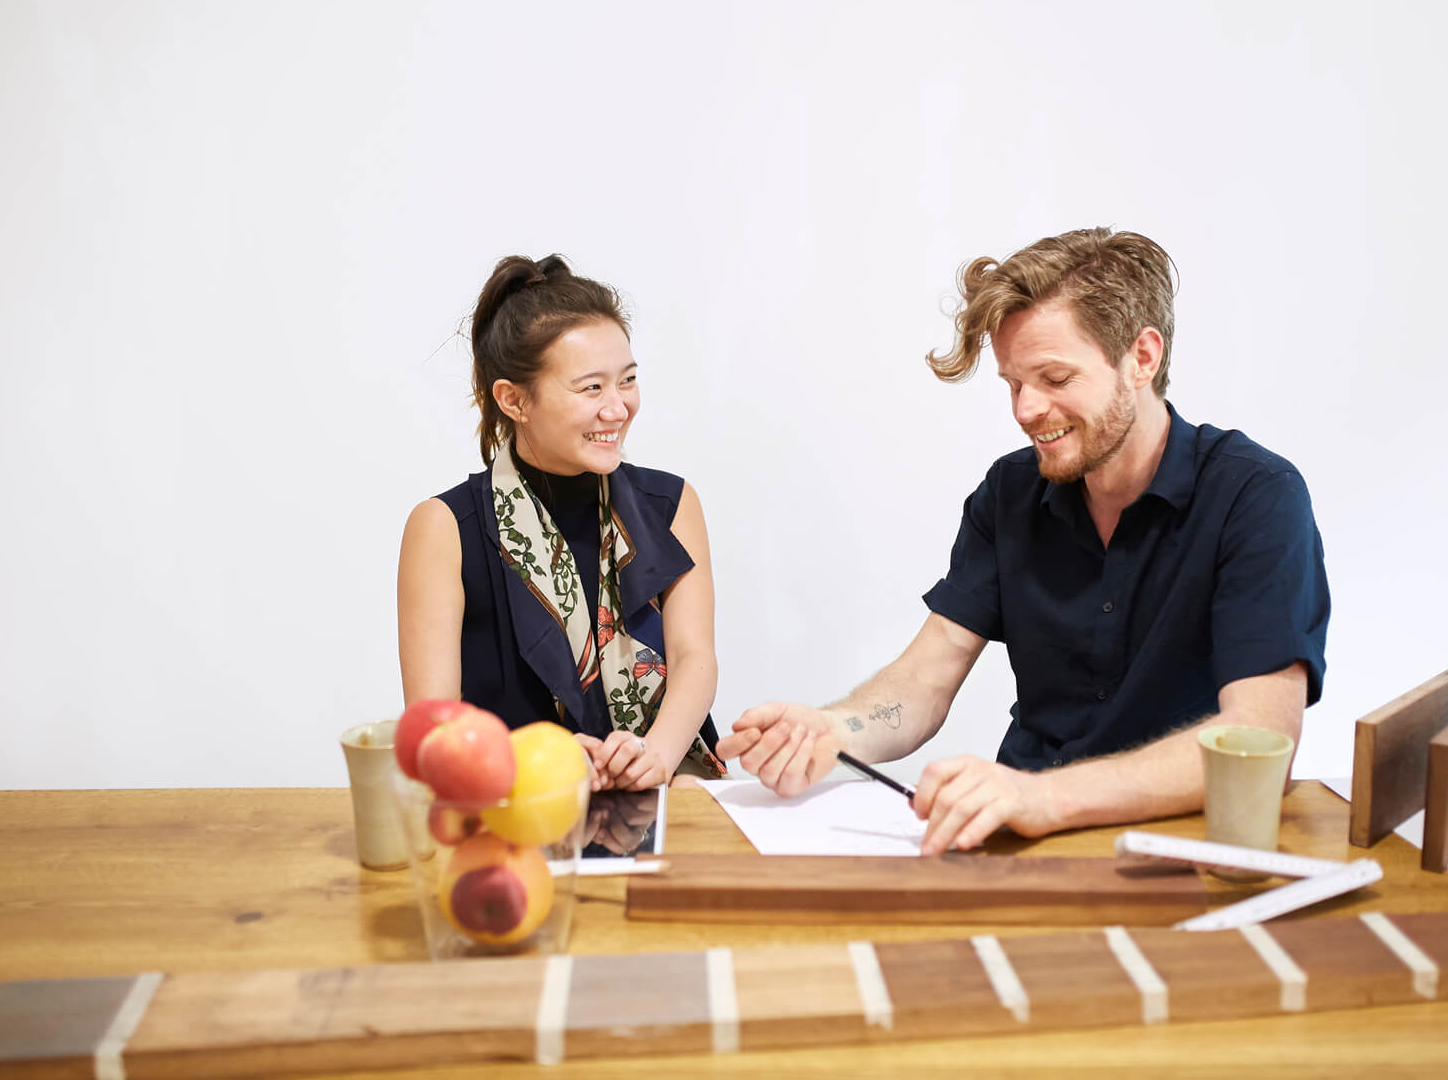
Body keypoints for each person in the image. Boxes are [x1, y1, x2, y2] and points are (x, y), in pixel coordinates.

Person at [719, 228, 1329, 854]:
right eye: (1013, 383)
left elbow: (1262, 740)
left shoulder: (1255, 496)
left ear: (1142, 358)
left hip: (1178, 848)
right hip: (1023, 846)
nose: (1026, 409)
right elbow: (924, 680)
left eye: (1055, 377)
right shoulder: (1009, 493)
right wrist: (834, 730)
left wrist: (1044, 796)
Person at [398, 254, 725, 792]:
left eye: (627, 381)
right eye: (591, 388)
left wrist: (656, 755)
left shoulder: (671, 504)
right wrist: (543, 761)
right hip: (513, 807)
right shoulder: (444, 528)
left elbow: (696, 658)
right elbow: (434, 728)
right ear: (513, 400)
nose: (617, 408)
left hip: (659, 790)